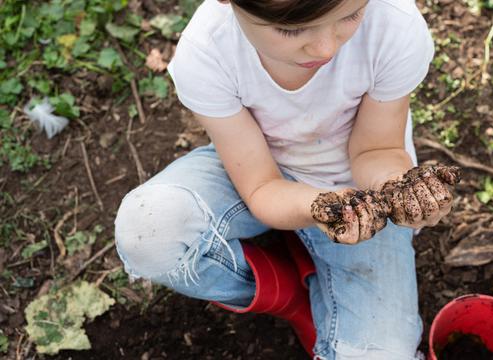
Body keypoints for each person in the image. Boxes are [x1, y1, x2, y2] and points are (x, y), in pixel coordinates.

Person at [115, 0, 456, 359]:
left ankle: (313, 279)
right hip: (257, 170)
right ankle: (287, 295)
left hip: (359, 195)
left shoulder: (392, 26)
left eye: (350, 15)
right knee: (149, 232)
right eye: (291, 30)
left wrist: (399, 189)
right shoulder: (208, 52)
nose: (326, 48)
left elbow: (377, 150)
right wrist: (316, 207)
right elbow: (261, 185)